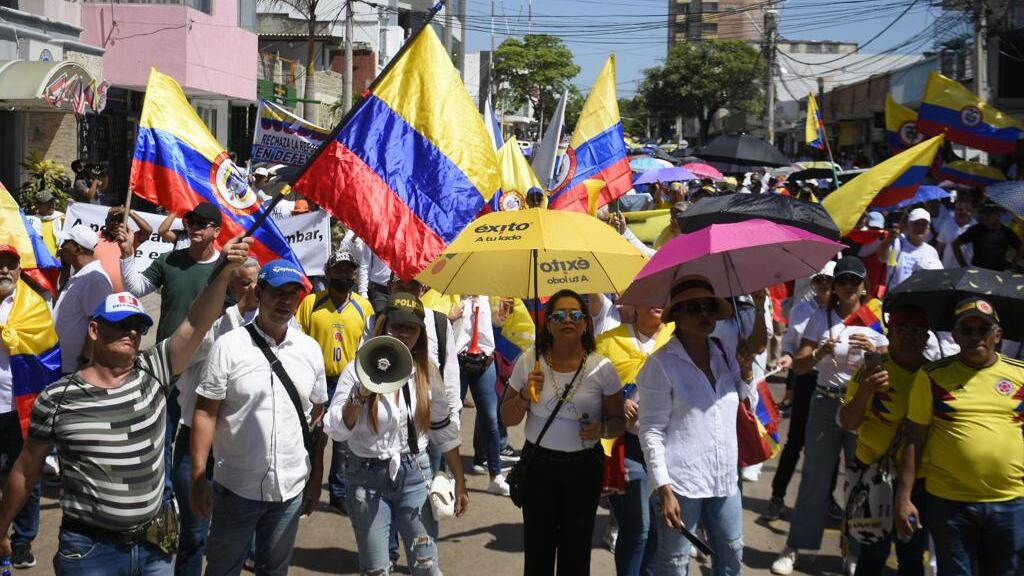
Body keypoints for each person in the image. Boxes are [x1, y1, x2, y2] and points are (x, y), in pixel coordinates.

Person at [0, 235, 252, 575]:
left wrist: (223, 269)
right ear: (93, 328)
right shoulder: (58, 397)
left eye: (137, 325)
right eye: (119, 324)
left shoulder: (155, 370)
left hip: (154, 549)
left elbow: (195, 322)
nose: (131, 332)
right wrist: (2, 527)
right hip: (89, 552)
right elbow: (25, 470)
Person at [190, 259, 328, 576]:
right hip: (236, 489)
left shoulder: (310, 350)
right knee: (223, 569)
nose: (285, 301)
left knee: (274, 570)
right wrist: (199, 477)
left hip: (290, 491)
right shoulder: (229, 346)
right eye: (278, 292)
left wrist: (315, 477)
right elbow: (205, 413)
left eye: (293, 294)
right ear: (259, 292)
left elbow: (316, 420)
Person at [323, 292, 468, 575]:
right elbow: (336, 429)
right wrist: (360, 394)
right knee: (376, 569)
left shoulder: (427, 372)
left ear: (420, 334)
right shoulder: (357, 369)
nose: (403, 334)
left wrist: (460, 481)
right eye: (396, 326)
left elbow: (443, 431)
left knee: (426, 566)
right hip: (366, 477)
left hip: (415, 473)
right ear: (383, 326)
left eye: (411, 328)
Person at [772, 256, 889, 576]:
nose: (849, 286)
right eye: (843, 281)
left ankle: (852, 551)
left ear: (864, 286)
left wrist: (876, 353)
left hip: (863, 406)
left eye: (855, 281)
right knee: (815, 478)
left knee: (859, 481)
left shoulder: (874, 317)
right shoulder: (819, 317)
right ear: (834, 285)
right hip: (824, 402)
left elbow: (889, 369)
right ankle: (794, 547)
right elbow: (800, 365)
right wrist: (821, 352)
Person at [501, 289, 626, 575]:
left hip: (584, 468)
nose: (567, 320)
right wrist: (523, 395)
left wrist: (603, 429)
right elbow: (506, 419)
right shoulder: (529, 361)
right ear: (548, 323)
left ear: (585, 323)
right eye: (558, 315)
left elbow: (618, 420)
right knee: (538, 552)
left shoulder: (602, 367)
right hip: (538, 466)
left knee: (576, 552)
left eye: (575, 315)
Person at [896, 297, 1024, 576]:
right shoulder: (931, 376)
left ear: (998, 335)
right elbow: (914, 439)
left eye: (983, 329)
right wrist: (904, 498)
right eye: (967, 330)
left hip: (1011, 502)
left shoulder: (1020, 375)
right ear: (955, 336)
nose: (975, 336)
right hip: (950, 503)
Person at [638, 276, 753, 576]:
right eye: (694, 308)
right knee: (675, 563)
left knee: (732, 551)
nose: (704, 314)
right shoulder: (660, 364)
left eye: (708, 307)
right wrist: (664, 491)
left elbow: (739, 401)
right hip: (681, 482)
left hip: (724, 475)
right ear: (676, 314)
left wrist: (747, 375)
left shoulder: (725, 353)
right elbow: (650, 430)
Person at [171, 257, 260, 576]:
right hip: (196, 444)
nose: (252, 290)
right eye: (244, 283)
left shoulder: (266, 330)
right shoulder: (211, 325)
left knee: (237, 531)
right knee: (195, 532)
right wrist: (235, 313)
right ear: (231, 287)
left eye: (256, 283)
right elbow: (188, 355)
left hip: (237, 445)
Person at [838, 307, 931, 576]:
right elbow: (847, 422)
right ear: (890, 334)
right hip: (872, 474)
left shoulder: (935, 375)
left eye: (917, 332)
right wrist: (866, 389)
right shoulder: (872, 369)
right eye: (903, 331)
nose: (910, 338)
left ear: (926, 337)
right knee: (872, 553)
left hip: (919, 480)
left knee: (912, 556)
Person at [596, 306, 674, 576]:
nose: (657, 302)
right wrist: (618, 403)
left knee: (657, 529)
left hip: (667, 449)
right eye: (649, 295)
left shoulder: (679, 337)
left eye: (662, 295)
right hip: (622, 448)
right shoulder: (607, 342)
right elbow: (589, 392)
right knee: (637, 530)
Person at [295, 249, 374, 514]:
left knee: (343, 442)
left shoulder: (364, 307)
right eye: (337, 270)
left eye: (347, 270)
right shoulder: (310, 303)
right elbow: (298, 340)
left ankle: (338, 493)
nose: (343, 274)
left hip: (348, 382)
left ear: (354, 273)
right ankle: (306, 490)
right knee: (314, 438)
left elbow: (370, 345)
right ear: (327, 273)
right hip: (317, 381)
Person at [762, 261, 835, 522]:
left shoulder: (848, 311)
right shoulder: (802, 308)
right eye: (819, 280)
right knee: (796, 441)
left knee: (831, 444)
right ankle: (777, 496)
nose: (824, 285)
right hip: (807, 378)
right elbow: (792, 344)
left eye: (829, 280)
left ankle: (828, 500)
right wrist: (788, 357)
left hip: (836, 386)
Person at [0, 245, 46, 568]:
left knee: (26, 474)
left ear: (20, 269)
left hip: (20, 407)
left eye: (10, 265)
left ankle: (22, 540)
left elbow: (47, 355)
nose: (4, 271)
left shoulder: (34, 307)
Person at [453, 294, 510, 495]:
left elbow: (497, 323)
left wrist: (503, 314)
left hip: (485, 362)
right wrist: (450, 318)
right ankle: (448, 476)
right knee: (452, 421)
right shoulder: (452, 295)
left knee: (491, 419)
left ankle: (496, 476)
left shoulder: (489, 297)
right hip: (457, 363)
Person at [52, 224, 113, 374]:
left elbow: (98, 324)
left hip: (75, 367)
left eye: (66, 242)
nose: (62, 247)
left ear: (77, 249)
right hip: (62, 362)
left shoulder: (94, 278)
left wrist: (86, 360)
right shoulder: (81, 274)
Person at [878, 208, 942, 290]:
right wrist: (889, 240)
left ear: (928, 228)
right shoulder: (897, 244)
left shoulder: (932, 252)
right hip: (896, 297)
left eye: (923, 224)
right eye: (915, 224)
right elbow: (882, 258)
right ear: (908, 225)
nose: (919, 227)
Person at [94, 206, 154, 293]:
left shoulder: (128, 240)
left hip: (122, 297)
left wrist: (130, 212)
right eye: (112, 220)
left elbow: (148, 231)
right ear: (106, 222)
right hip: (97, 293)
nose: (116, 223)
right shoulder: (95, 238)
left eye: (120, 221)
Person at [953, 200, 1023, 271]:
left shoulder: (1006, 232)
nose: (985, 216)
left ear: (999, 214)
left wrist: (1016, 260)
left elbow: (1020, 246)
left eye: (989, 213)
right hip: (977, 273)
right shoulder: (976, 229)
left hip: (997, 274)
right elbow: (955, 244)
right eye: (983, 213)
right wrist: (963, 265)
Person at [935, 193, 977, 268]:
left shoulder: (975, 227)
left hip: (968, 272)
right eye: (957, 209)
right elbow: (939, 247)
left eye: (962, 210)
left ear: (970, 210)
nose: (959, 212)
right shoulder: (947, 224)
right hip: (948, 271)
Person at [27, 190, 64, 256]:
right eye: (47, 202)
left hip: (58, 260)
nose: (51, 205)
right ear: (38, 205)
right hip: (40, 259)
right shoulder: (31, 221)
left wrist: (74, 206)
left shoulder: (62, 218)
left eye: (52, 201)